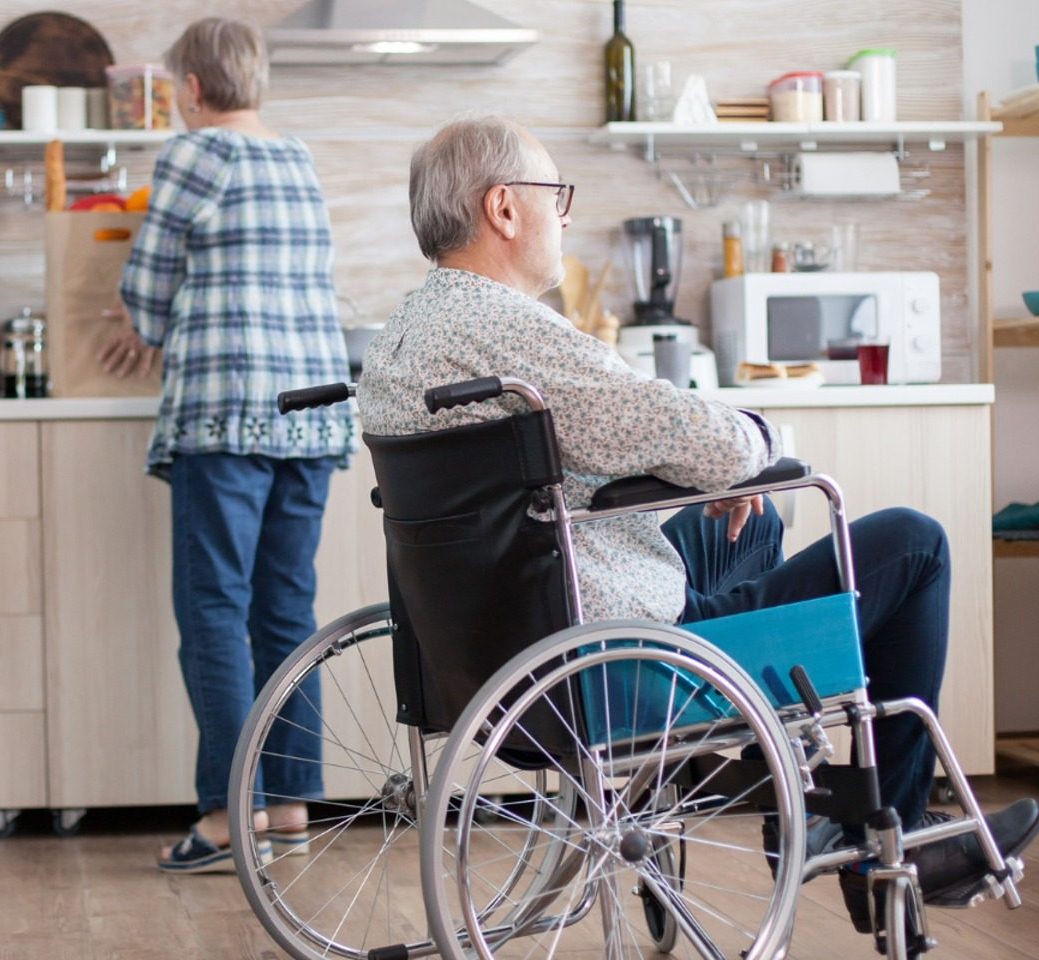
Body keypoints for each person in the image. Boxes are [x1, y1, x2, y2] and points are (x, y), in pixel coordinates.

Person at [355, 114, 1038, 930]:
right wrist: (756, 442)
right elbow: (683, 429)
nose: (564, 216)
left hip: (500, 652)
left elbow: (625, 435)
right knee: (912, 543)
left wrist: (724, 476)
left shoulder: (406, 333)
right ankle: (880, 834)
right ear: (504, 208)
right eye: (555, 195)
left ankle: (791, 796)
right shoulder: (506, 327)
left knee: (742, 524)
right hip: (612, 658)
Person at [107, 17, 354, 875]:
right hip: (312, 412)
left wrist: (139, 320)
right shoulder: (297, 158)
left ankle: (224, 815)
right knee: (285, 609)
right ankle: (287, 806)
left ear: (194, 88)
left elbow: (145, 290)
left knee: (214, 608)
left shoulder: (193, 154)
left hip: (227, 412)